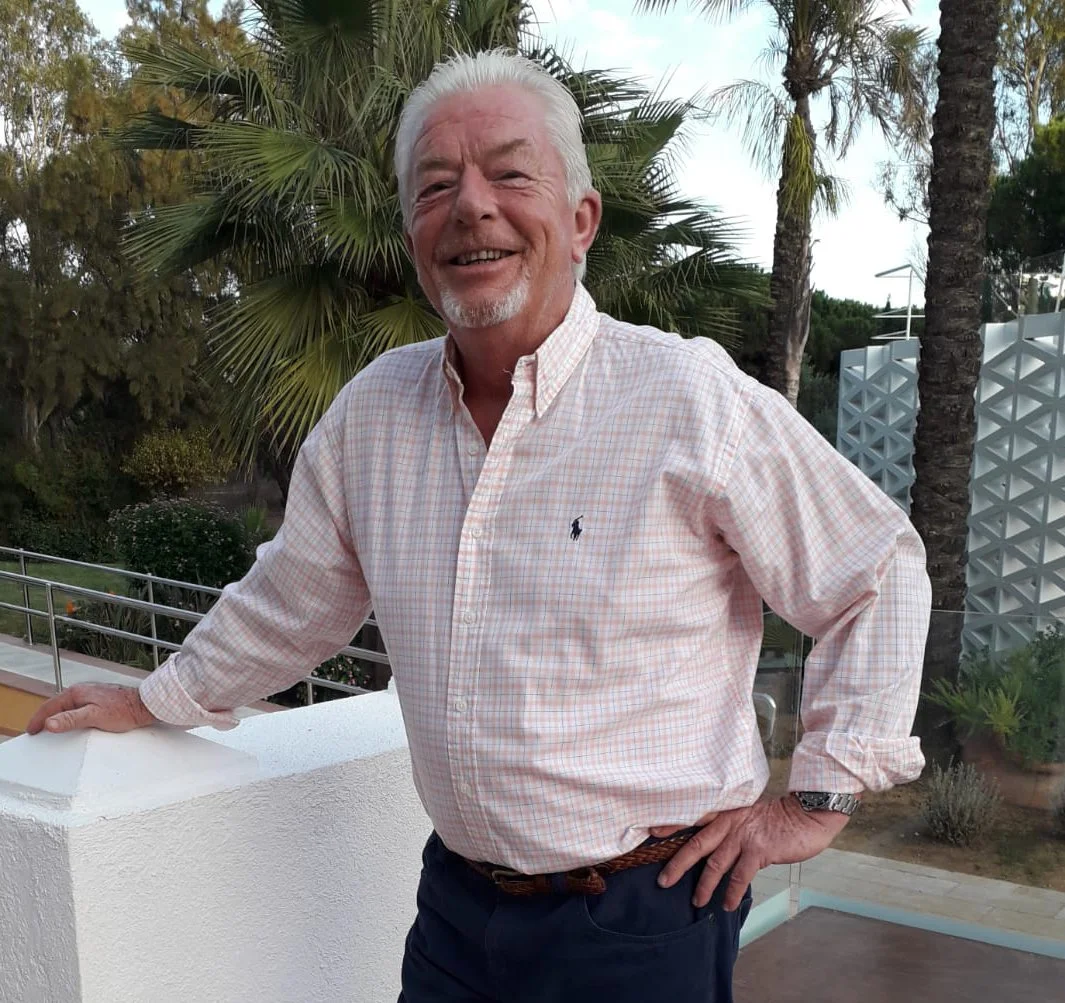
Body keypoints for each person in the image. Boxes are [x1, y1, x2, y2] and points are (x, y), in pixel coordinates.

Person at [27, 49, 932, 1003]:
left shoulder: (686, 397)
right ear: (414, 233)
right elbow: (288, 604)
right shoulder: (373, 416)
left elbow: (873, 568)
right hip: (458, 910)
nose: (470, 206)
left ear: (580, 220)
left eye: (509, 172)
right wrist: (156, 699)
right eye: (434, 186)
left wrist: (815, 798)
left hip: (644, 917)